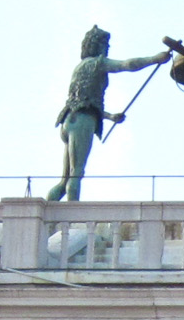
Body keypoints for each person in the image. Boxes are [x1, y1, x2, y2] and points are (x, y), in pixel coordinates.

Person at [48, 26, 170, 202]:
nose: (107, 48)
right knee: (77, 173)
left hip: (68, 120)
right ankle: (73, 212)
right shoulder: (98, 63)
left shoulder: (79, 67)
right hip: (83, 120)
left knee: (64, 180)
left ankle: (47, 213)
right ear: (98, 45)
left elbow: (86, 101)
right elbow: (126, 65)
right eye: (106, 44)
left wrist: (110, 116)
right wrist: (154, 59)